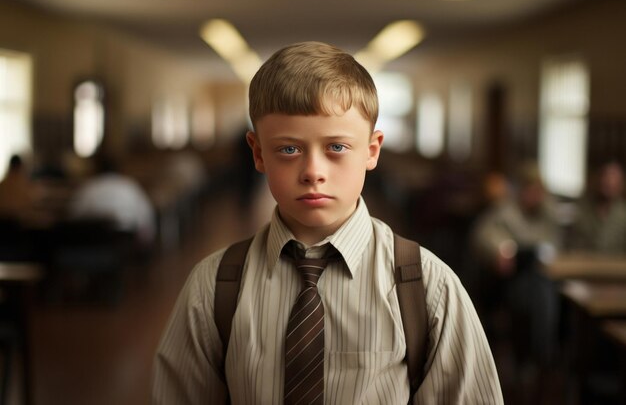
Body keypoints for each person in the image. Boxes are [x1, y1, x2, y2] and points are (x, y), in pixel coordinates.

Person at [152, 41, 503, 404]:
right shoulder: (212, 288)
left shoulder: (430, 288)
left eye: (336, 147)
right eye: (289, 149)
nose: (313, 173)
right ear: (258, 153)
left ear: (371, 151)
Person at [470, 162, 562, 371]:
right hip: (510, 279)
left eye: (539, 190)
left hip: (542, 276)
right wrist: (500, 249)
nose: (535, 195)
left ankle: (541, 355)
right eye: (530, 189)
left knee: (544, 295)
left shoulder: (548, 213)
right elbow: (482, 234)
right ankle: (532, 357)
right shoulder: (505, 210)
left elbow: (556, 243)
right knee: (531, 298)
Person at [67, 154, 156, 251]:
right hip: (122, 240)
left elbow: (73, 214)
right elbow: (146, 215)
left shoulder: (88, 187)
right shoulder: (129, 185)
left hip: (90, 242)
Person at [570, 160, 626, 254]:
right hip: (583, 264)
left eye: (613, 179)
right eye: (606, 177)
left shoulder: (623, 214)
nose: (609, 182)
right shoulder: (582, 211)